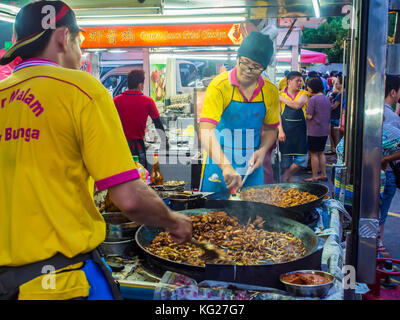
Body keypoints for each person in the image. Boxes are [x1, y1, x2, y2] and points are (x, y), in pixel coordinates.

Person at [0, 1, 191, 300]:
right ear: (64, 37)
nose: (81, 51)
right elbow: (129, 199)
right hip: (57, 284)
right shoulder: (82, 90)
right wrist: (174, 221)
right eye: (81, 41)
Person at [199, 32, 279, 193]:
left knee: (253, 214)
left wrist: (262, 150)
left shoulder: (270, 91)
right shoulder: (219, 86)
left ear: (264, 68)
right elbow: (206, 130)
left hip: (251, 166)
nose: (249, 70)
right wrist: (225, 166)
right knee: (213, 215)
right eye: (245, 63)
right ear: (238, 58)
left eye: (256, 67)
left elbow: (271, 129)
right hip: (218, 163)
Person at [113, 69, 168, 170]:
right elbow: (158, 123)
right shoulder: (148, 101)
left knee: (123, 178)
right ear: (140, 84)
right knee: (140, 176)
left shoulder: (116, 101)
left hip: (120, 147)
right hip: (138, 147)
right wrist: (165, 142)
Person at [278, 71, 309, 182]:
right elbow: (278, 115)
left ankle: (285, 176)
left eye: (301, 81)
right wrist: (280, 131)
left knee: (302, 160)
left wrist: (280, 98)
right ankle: (289, 185)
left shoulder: (304, 94)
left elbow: (297, 105)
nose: (300, 83)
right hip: (285, 132)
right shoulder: (281, 94)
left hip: (300, 133)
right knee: (286, 162)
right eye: (297, 80)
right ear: (289, 81)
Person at [304, 77, 332, 182]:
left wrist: (304, 113)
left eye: (308, 87)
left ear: (312, 88)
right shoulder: (326, 98)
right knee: (321, 153)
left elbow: (309, 116)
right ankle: (323, 174)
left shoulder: (313, 99)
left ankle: (315, 176)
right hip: (324, 130)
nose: (307, 89)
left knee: (314, 154)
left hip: (314, 131)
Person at [326, 74, 343, 156]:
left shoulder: (341, 94)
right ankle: (334, 151)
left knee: (336, 138)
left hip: (336, 117)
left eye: (337, 83)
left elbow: (334, 106)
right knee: (333, 135)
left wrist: (327, 102)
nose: (336, 85)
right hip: (334, 117)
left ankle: (337, 155)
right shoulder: (339, 93)